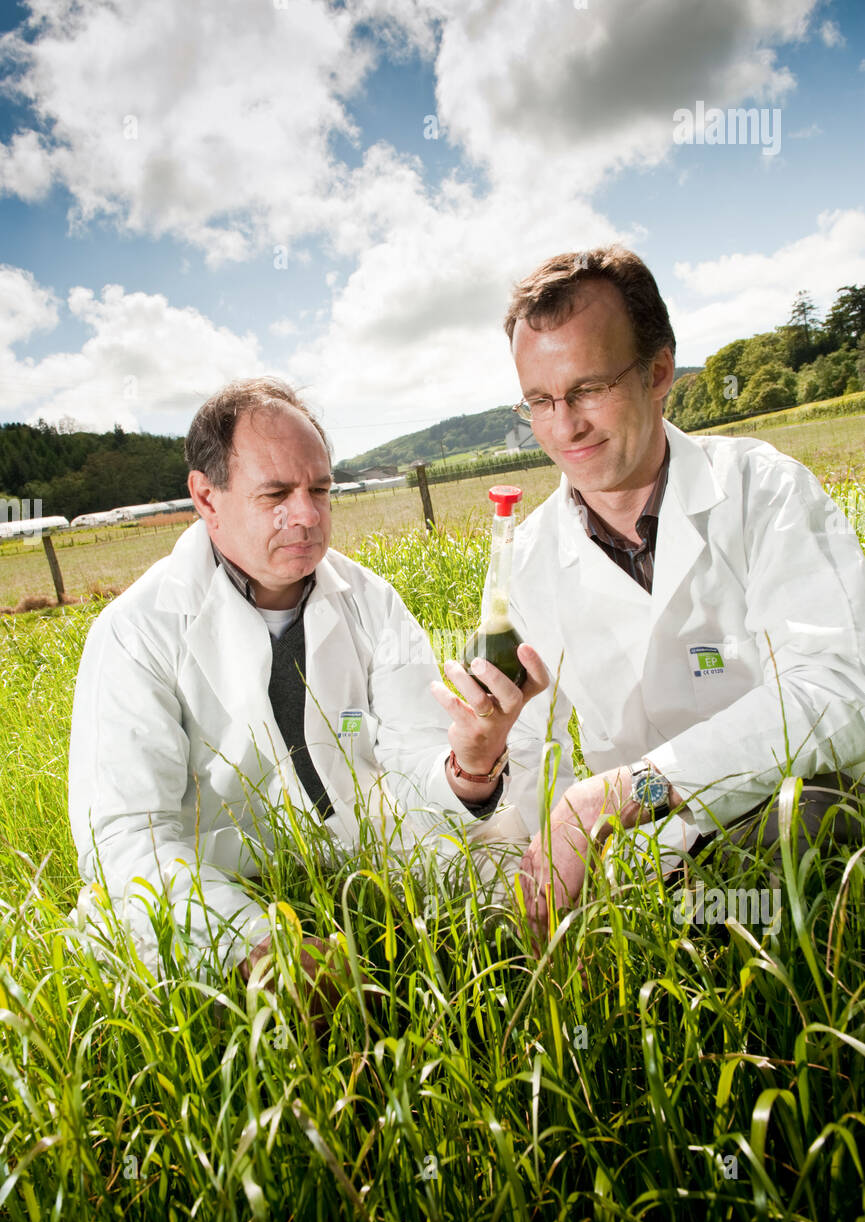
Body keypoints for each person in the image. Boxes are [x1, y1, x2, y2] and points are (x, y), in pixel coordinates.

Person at [68, 378, 546, 978]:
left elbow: (414, 763)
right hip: (223, 884)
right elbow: (128, 835)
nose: (307, 514)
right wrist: (259, 946)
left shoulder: (370, 602)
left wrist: (471, 766)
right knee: (116, 925)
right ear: (206, 497)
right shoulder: (136, 630)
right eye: (276, 493)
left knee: (520, 873)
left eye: (320, 489)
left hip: (369, 866)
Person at [478, 247, 865, 938]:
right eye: (540, 400)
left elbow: (837, 689)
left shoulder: (761, 490)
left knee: (803, 813)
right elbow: (544, 757)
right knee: (486, 866)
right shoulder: (530, 559)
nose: (564, 427)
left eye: (588, 388)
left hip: (762, 812)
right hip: (630, 848)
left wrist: (628, 791)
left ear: (659, 373)